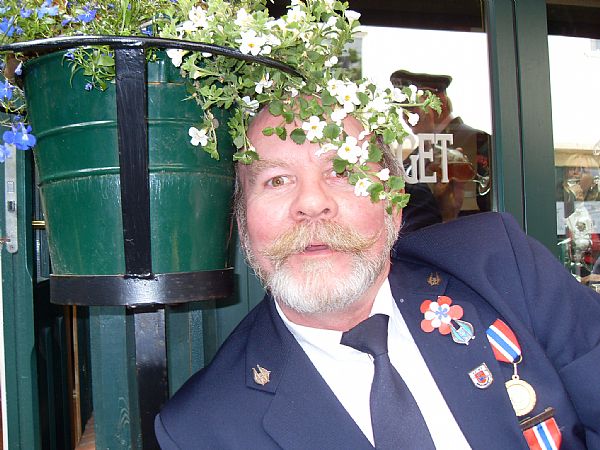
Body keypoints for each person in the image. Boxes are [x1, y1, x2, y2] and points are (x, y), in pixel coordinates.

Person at [155, 106, 600, 449]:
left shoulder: (502, 268)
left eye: (343, 171)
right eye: (275, 180)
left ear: (393, 205)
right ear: (242, 225)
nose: (311, 202)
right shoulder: (201, 429)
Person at [390, 70, 492, 231]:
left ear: (440, 103)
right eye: (403, 110)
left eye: (413, 109)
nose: (406, 116)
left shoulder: (475, 140)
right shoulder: (415, 154)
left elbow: (486, 206)